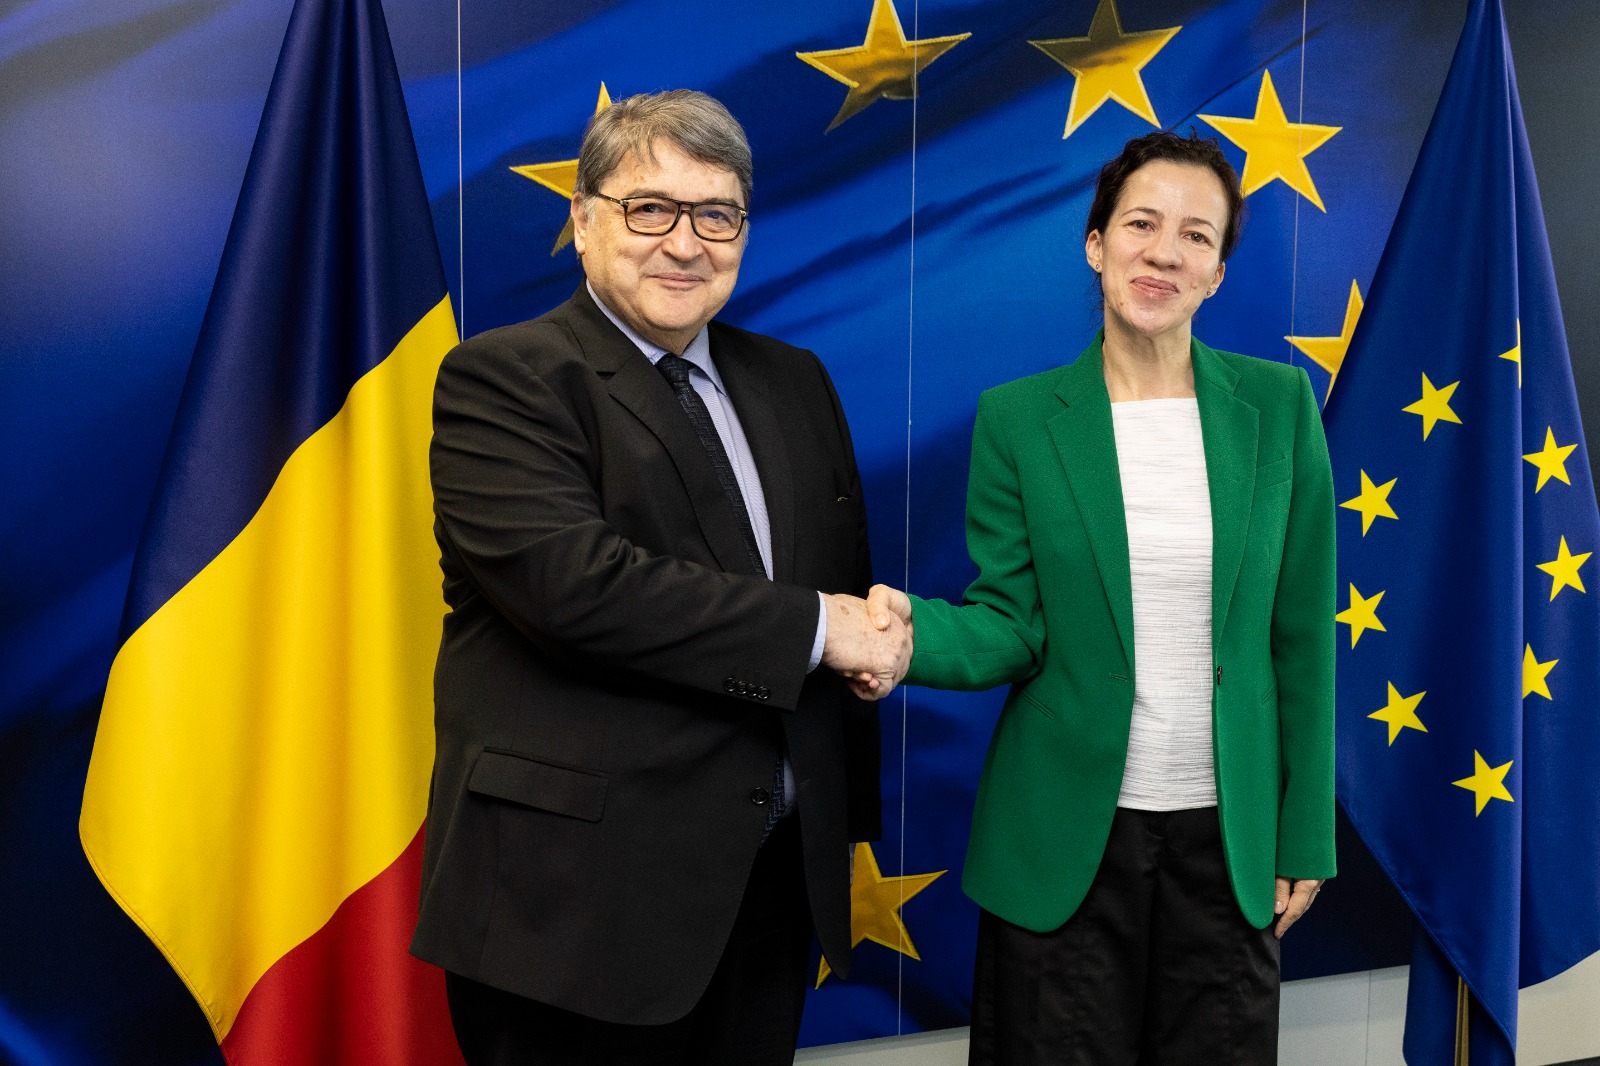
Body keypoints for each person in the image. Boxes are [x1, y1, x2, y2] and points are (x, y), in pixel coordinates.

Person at [411, 89, 909, 1066]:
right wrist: (822, 627)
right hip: (571, 909)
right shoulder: (503, 378)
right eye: (651, 207)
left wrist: (866, 632)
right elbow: (579, 588)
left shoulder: (794, 379)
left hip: (767, 890)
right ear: (584, 220)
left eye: (715, 212)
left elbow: (829, 585)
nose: (685, 241)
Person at [859, 130, 1336, 1064]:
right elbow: (1009, 624)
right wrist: (908, 640)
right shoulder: (1019, 420)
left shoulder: (1280, 408)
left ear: (1219, 273)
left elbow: (1302, 640)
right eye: (1142, 223)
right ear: (1096, 243)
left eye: (1197, 236)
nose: (1165, 251)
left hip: (1228, 847)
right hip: (1062, 843)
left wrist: (1303, 833)